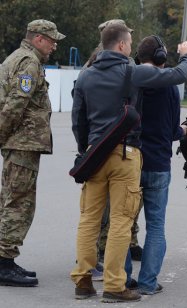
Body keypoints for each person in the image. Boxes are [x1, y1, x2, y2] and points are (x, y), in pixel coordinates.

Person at [70, 23, 187, 302]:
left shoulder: (86, 75)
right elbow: (178, 75)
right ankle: (115, 285)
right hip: (125, 154)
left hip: (94, 154)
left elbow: (78, 119)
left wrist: (86, 151)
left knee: (89, 220)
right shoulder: (132, 72)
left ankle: (82, 280)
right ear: (122, 46)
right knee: (121, 222)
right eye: (127, 44)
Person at [0, 19, 65, 287]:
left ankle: (6, 259)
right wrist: (3, 136)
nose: (54, 45)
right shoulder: (29, 62)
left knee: (15, 201)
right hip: (22, 144)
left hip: (21, 144)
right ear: (38, 38)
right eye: (51, 40)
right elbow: (16, 103)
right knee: (18, 204)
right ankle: (3, 262)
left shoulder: (19, 57)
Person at [124, 35, 187, 295]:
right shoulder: (170, 87)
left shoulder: (130, 81)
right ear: (161, 57)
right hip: (159, 162)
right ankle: (149, 282)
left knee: (124, 225)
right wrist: (182, 131)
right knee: (156, 226)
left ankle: (123, 279)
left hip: (130, 161)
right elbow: (173, 130)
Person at [83, 19, 143, 267]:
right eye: (128, 36)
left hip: (97, 145)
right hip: (118, 146)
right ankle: (103, 257)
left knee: (105, 210)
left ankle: (127, 243)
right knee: (111, 210)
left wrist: (85, 147)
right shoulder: (109, 63)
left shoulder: (94, 65)